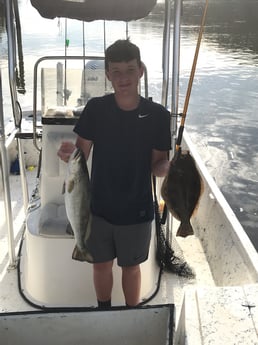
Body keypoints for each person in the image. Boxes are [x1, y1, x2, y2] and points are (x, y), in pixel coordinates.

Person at [58, 39, 171, 308]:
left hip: (138, 209)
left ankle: (132, 314)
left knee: (131, 268)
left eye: (130, 70)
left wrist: (172, 169)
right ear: (107, 74)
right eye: (116, 71)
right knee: (100, 265)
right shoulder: (96, 109)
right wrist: (69, 155)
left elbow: (158, 165)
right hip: (97, 208)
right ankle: (104, 310)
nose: (123, 78)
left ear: (140, 71)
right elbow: (81, 153)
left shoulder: (157, 115)